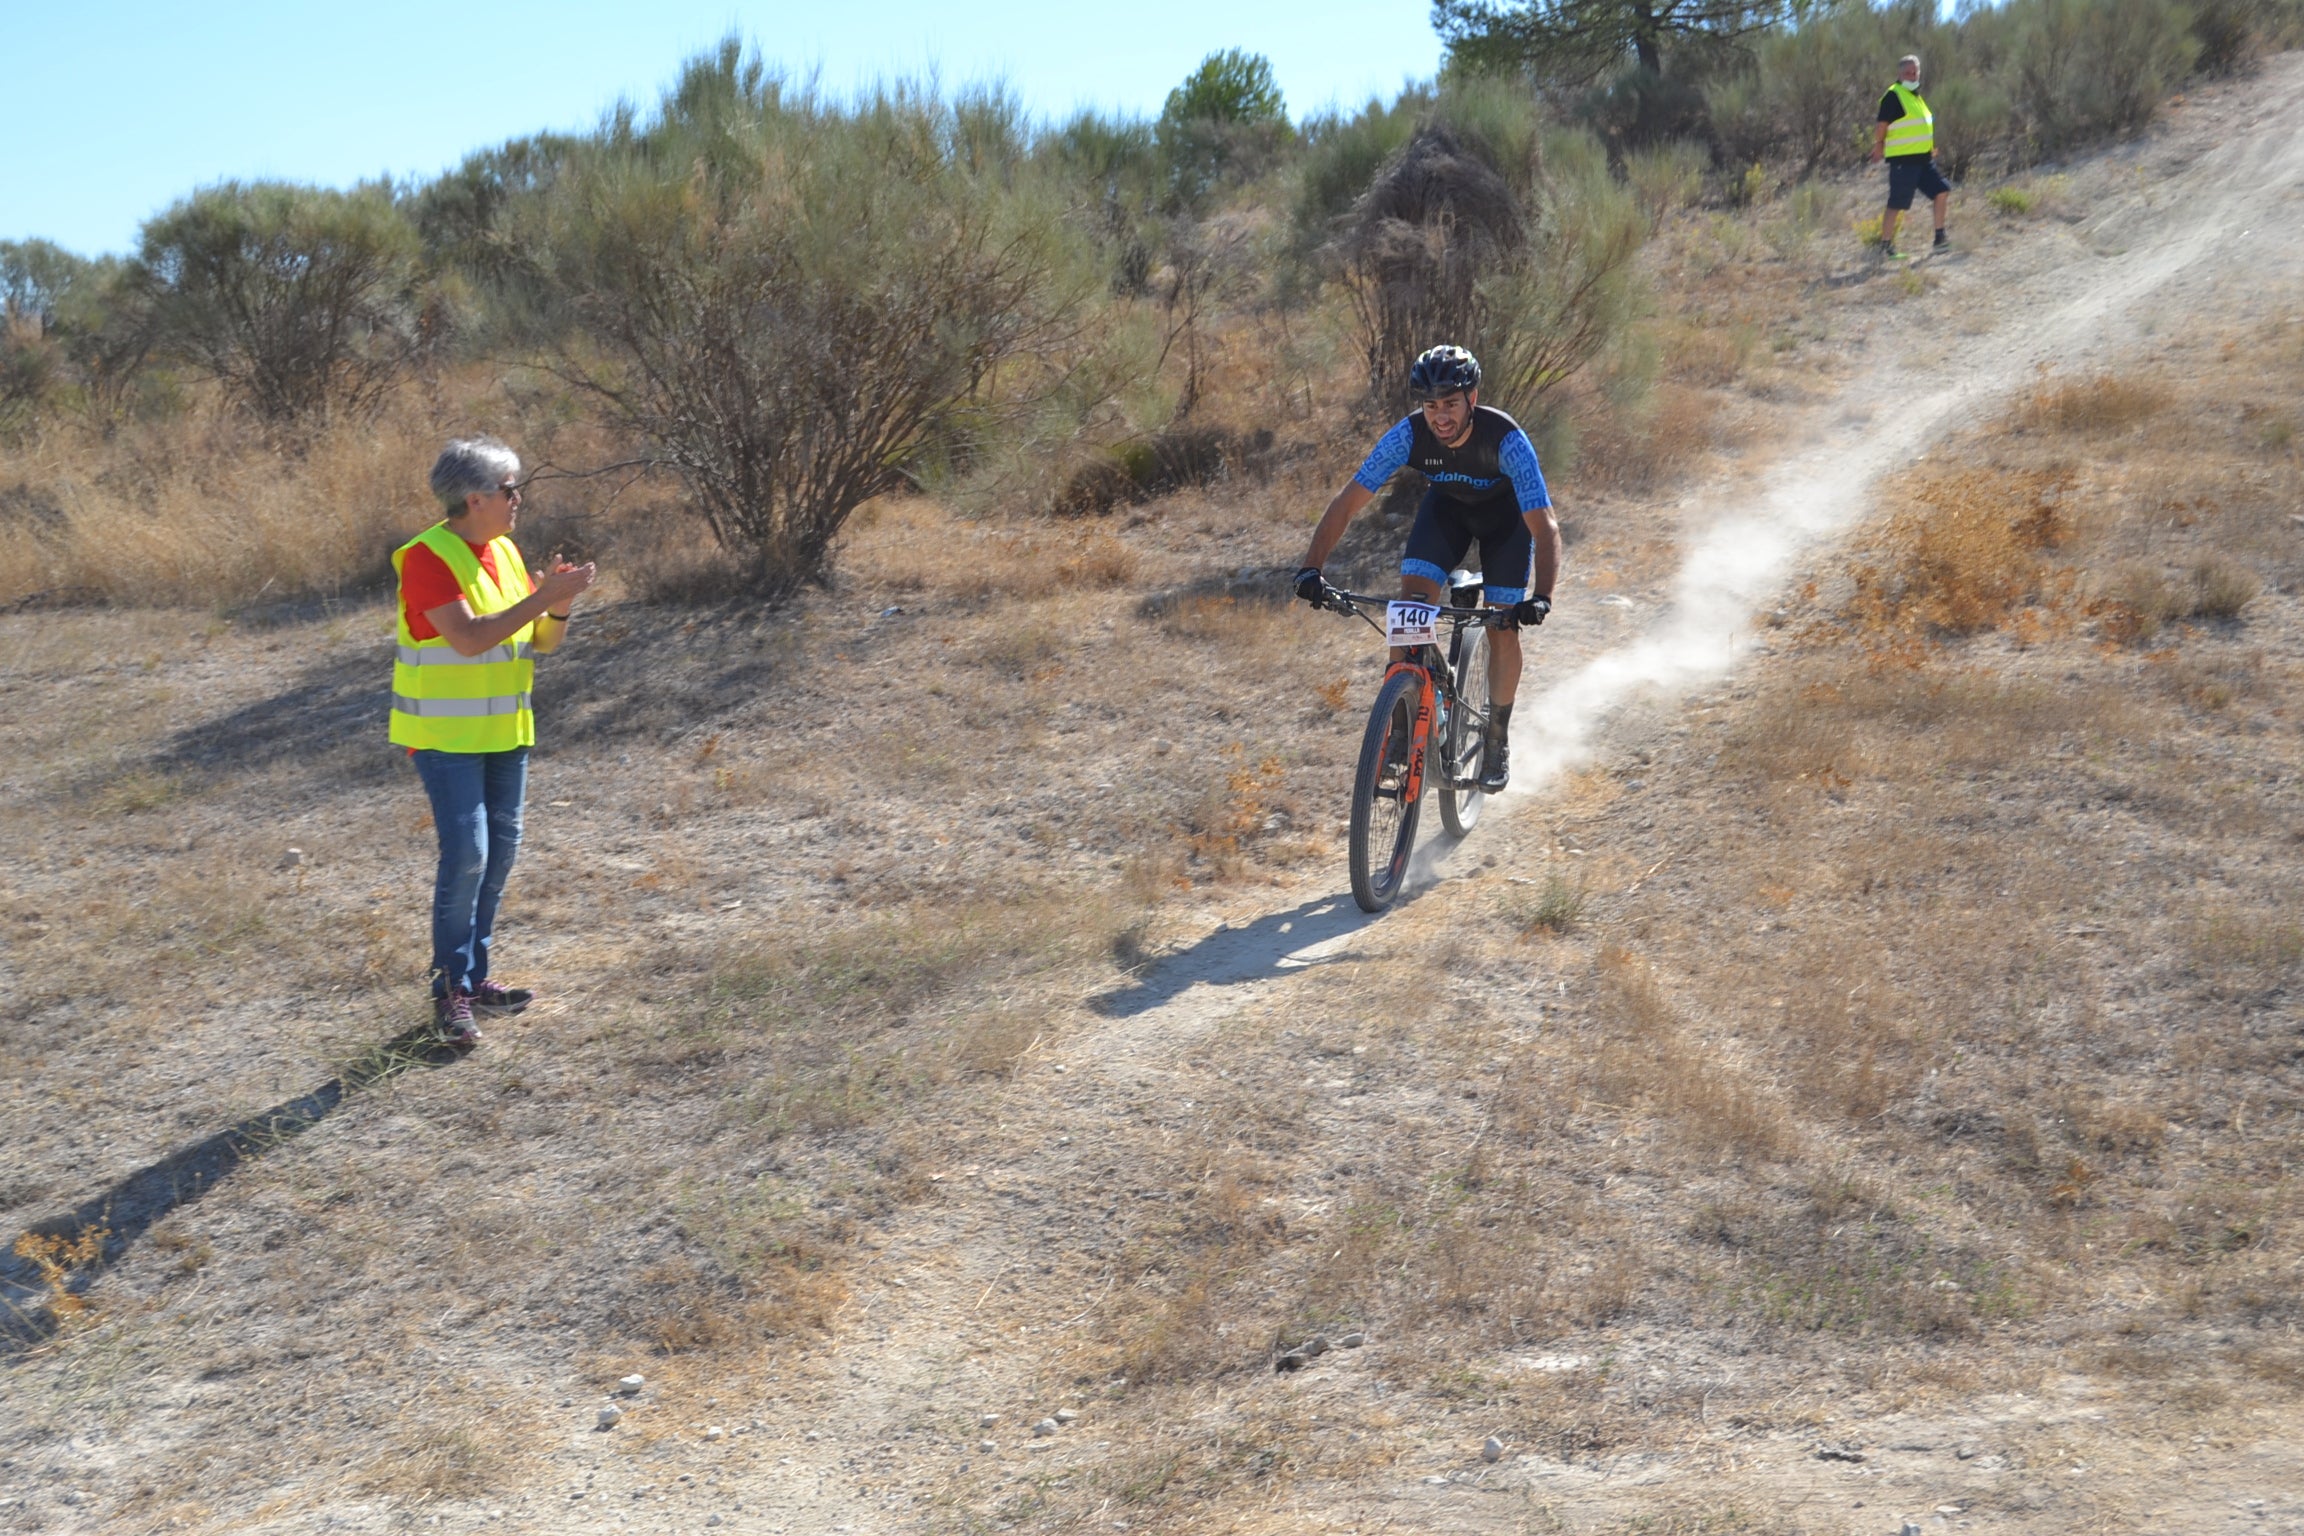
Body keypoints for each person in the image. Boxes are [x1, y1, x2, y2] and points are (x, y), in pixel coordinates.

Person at [391, 437, 596, 1044]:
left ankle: (475, 979)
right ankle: (450, 990)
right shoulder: (425, 558)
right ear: (475, 498)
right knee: (469, 857)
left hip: (506, 733)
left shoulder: (503, 550)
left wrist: (557, 607)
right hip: (445, 737)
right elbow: (471, 639)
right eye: (511, 489)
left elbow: (541, 642)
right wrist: (544, 596)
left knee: (498, 855)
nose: (519, 500)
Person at [1293, 344, 1562, 793]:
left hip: (1507, 524)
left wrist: (1542, 597)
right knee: (1407, 611)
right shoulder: (1408, 435)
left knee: (1501, 625)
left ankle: (1496, 740)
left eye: (1451, 404)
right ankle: (1400, 729)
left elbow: (1546, 526)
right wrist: (1311, 568)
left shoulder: (1506, 440)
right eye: (1431, 405)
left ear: (1472, 398)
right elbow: (1348, 501)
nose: (1440, 416)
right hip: (1447, 513)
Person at [1874, 53, 1951, 259]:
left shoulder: (1916, 96)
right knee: (1896, 203)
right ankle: (1885, 246)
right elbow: (1882, 125)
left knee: (1942, 191)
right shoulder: (1893, 95)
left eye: (1915, 71)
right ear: (1899, 74)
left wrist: (1930, 148)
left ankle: (1940, 239)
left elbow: (1920, 126)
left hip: (1924, 160)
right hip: (1903, 161)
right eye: (1907, 72)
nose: (1912, 75)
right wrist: (1879, 145)